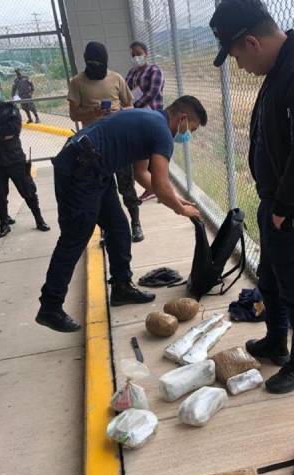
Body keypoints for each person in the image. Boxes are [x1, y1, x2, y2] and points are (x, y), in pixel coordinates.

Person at [211, 0, 294, 394]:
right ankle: (276, 343)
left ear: (252, 42)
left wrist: (284, 208)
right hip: (279, 205)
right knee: (271, 279)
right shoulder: (281, 68)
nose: (240, 66)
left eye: (236, 57)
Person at [35, 96, 208, 332]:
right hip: (80, 171)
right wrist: (181, 209)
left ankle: (121, 287)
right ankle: (50, 308)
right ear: (183, 119)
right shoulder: (162, 133)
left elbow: (141, 175)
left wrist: (177, 199)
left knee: (118, 229)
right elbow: (160, 183)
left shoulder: (150, 120)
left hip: (95, 169)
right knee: (73, 240)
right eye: (191, 129)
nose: (188, 135)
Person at [67, 42, 147, 243]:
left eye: (99, 62)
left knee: (126, 186)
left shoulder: (116, 78)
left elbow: (130, 106)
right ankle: (107, 229)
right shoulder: (77, 82)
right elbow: (73, 114)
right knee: (100, 190)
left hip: (118, 144)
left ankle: (135, 224)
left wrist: (118, 112)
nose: (95, 66)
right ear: (85, 61)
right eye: (91, 62)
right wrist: (92, 112)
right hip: (93, 147)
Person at [0, 75, 50, 237]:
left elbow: (14, 130)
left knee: (28, 191)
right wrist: (1, 134)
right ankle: (4, 224)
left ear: (0, 89)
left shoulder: (11, 108)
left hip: (15, 158)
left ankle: (39, 219)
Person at [122, 41, 167, 236]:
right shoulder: (131, 73)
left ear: (146, 53)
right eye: (133, 54)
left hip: (150, 118)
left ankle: (160, 190)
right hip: (135, 120)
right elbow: (125, 92)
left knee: (144, 166)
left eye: (139, 53)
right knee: (142, 166)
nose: (136, 57)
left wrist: (133, 106)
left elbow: (152, 93)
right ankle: (156, 189)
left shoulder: (154, 71)